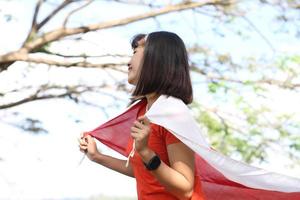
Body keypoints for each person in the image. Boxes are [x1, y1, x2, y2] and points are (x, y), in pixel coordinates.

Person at [79, 31, 204, 200]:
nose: (128, 62)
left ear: (157, 59)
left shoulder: (172, 113)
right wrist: (98, 157)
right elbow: (144, 170)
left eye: (136, 51)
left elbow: (185, 188)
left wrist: (146, 151)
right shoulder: (144, 110)